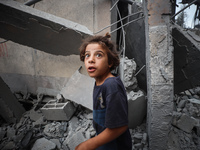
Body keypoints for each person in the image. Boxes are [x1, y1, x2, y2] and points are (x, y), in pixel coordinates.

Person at [75, 33, 132, 150]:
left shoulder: (111, 85)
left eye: (98, 55)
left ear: (110, 62)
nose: (91, 60)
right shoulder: (99, 82)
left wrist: (90, 144)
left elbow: (119, 126)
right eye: (87, 55)